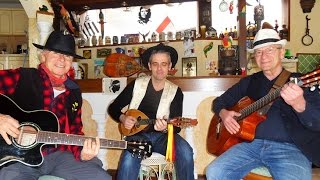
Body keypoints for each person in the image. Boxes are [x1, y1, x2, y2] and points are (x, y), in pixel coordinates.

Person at [206, 26, 320, 180]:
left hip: (290, 149)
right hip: (250, 145)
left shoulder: (301, 82)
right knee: (214, 172)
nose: (263, 56)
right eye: (259, 52)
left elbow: (317, 121)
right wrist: (224, 114)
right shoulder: (249, 82)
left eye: (270, 50)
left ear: (281, 52)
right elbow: (219, 102)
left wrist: (300, 104)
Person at [0, 31, 111, 180]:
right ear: (43, 55)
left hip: (58, 156)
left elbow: (75, 131)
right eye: (56, 53)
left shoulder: (74, 91)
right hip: (17, 159)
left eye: (67, 56)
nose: (62, 59)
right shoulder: (22, 77)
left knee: (100, 177)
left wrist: (82, 153)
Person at [108, 43, 194, 180]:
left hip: (163, 138)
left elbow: (176, 127)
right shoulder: (136, 85)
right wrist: (123, 118)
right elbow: (113, 108)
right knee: (129, 159)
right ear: (149, 66)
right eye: (155, 64)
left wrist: (166, 127)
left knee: (186, 152)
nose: (159, 69)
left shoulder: (176, 92)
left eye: (164, 64)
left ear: (170, 66)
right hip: (137, 135)